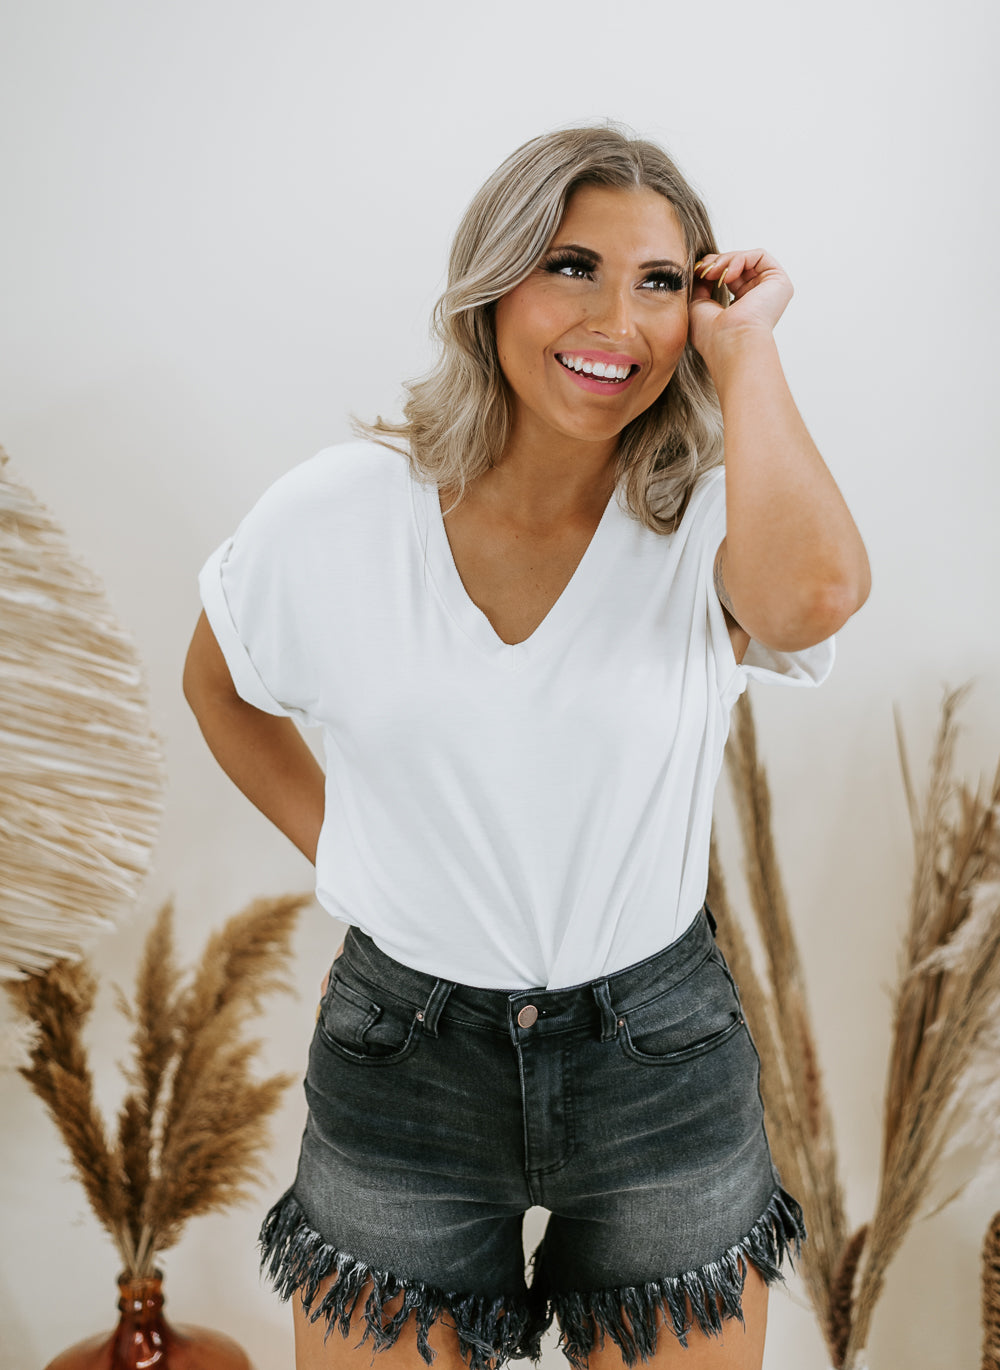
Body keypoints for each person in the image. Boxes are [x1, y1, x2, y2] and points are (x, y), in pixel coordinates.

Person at [183, 125, 870, 1370]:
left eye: (660, 281)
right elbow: (220, 682)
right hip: (404, 1055)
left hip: (657, 1055)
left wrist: (749, 347)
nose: (617, 319)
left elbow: (814, 600)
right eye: (571, 266)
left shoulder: (708, 521)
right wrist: (347, 855)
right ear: (493, 283)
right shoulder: (342, 510)